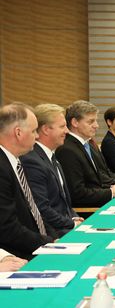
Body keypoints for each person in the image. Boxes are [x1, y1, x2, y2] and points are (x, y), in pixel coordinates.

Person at [0, 103, 57, 259]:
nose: (37, 136)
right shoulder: (2, 167)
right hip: (17, 255)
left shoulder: (15, 161)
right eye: (33, 131)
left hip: (32, 245)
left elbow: (33, 211)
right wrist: (48, 243)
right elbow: (7, 228)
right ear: (18, 133)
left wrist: (53, 237)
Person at [20, 104, 84, 237]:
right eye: (62, 126)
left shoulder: (52, 156)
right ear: (45, 129)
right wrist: (71, 223)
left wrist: (74, 219)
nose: (67, 131)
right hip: (54, 234)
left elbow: (64, 202)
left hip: (66, 226)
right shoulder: (32, 161)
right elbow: (42, 209)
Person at [55, 100, 115, 208]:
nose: (96, 126)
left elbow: (104, 173)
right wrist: (111, 192)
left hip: (103, 200)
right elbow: (78, 194)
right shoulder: (67, 150)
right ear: (75, 122)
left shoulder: (89, 144)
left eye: (96, 121)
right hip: (90, 209)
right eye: (91, 122)